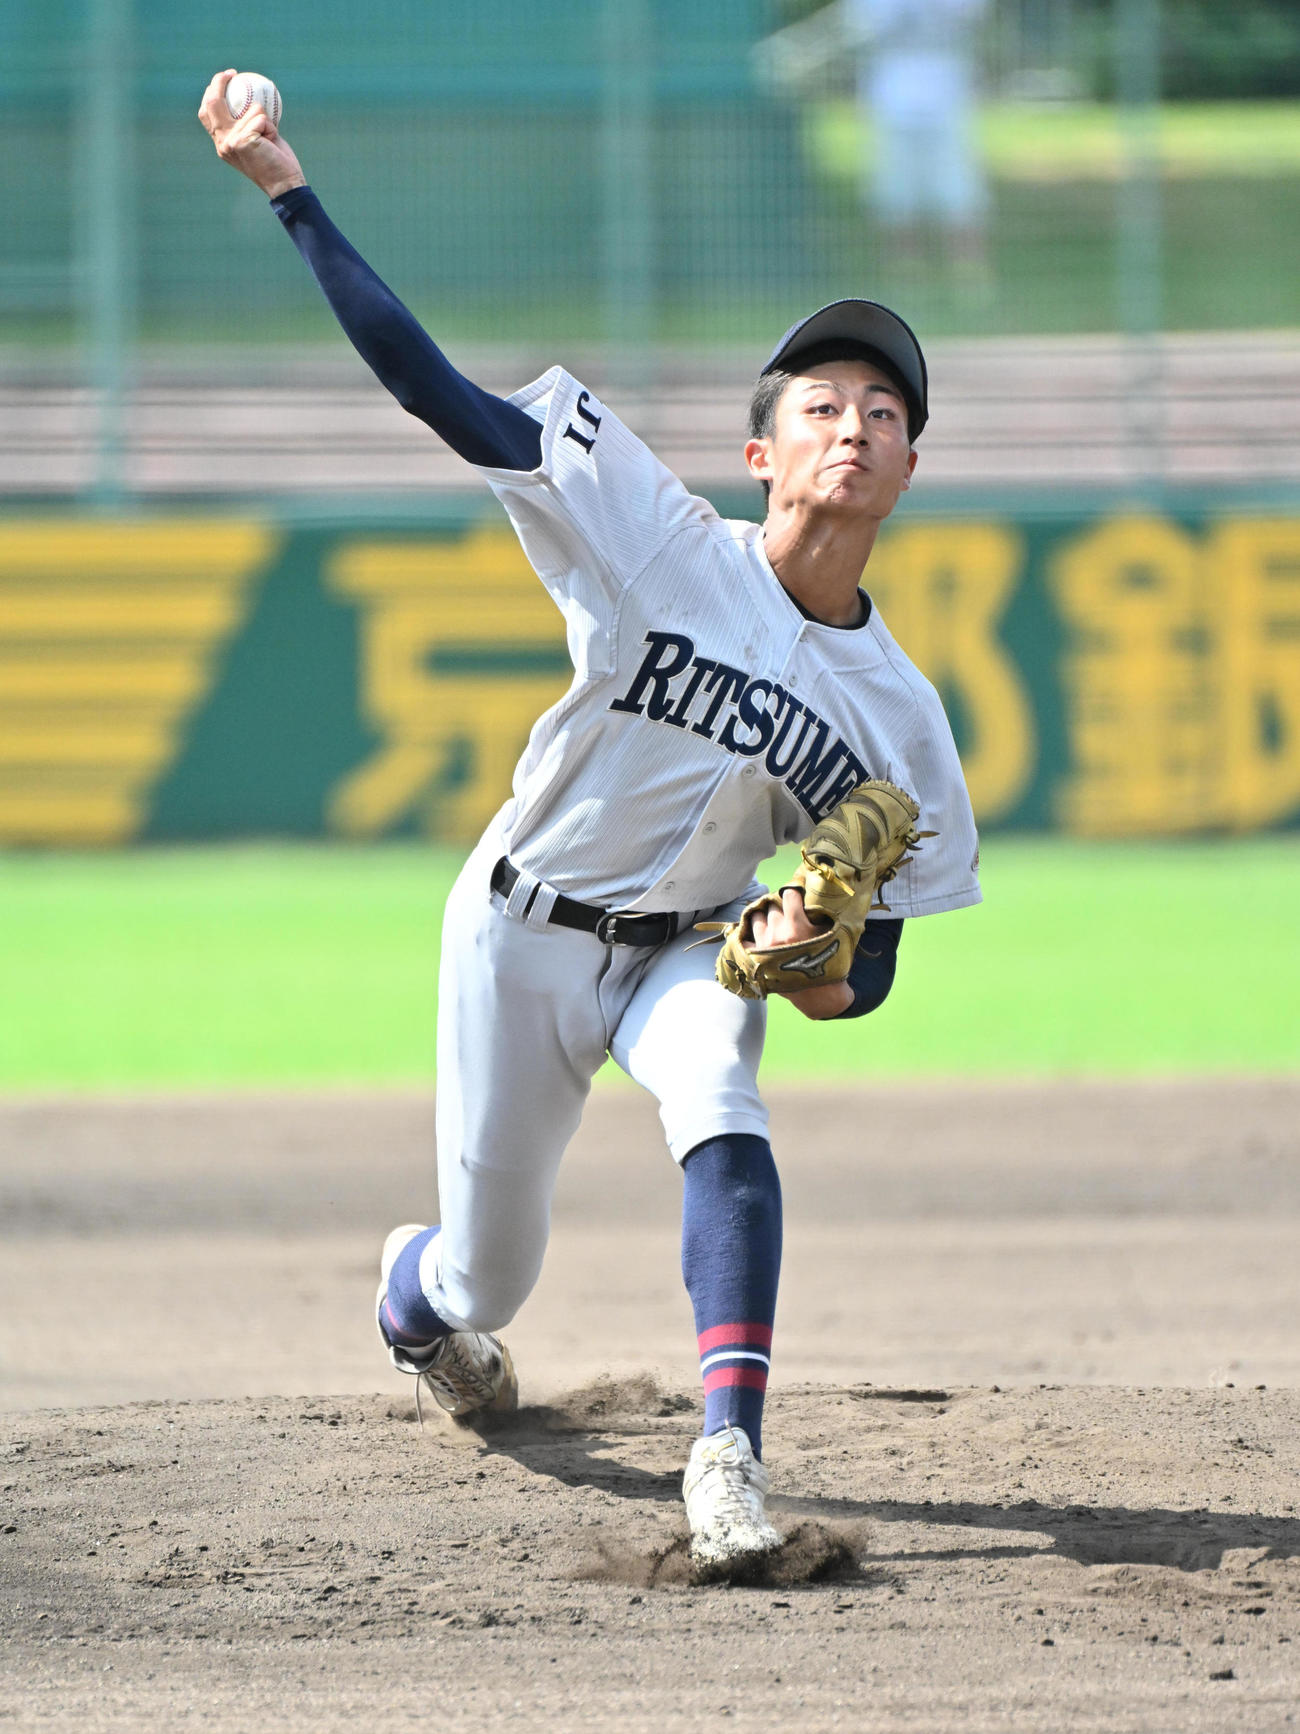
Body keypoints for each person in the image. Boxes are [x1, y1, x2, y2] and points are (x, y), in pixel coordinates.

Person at [199, 69, 981, 1569]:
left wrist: (809, 966)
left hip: (686, 946)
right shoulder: (655, 539)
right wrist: (291, 194)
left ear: (908, 468)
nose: (856, 428)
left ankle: (727, 1456)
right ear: (762, 455)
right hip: (521, 932)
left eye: (886, 414)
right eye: (823, 407)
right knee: (486, 1277)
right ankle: (418, 1304)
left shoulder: (903, 721)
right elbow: (441, 395)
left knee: (723, 1094)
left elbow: (867, 970)